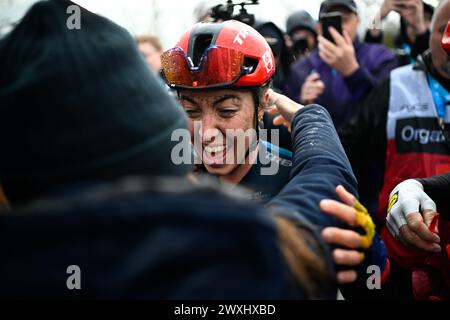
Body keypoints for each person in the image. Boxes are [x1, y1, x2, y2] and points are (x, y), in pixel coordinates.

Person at [0, 0, 379, 299]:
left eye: (227, 110)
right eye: (189, 111)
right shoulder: (154, 180)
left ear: (264, 104)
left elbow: (368, 286)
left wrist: (369, 258)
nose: (206, 131)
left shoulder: (289, 169)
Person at [339, 0, 450, 299]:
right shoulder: (396, 82)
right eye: (441, 29)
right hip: (397, 255)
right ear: (430, 34)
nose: (446, 41)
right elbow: (348, 146)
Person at [284, 0, 398, 129]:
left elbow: (388, 108)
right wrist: (301, 102)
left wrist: (353, 71)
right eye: (331, 21)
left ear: (358, 20)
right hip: (320, 145)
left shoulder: (380, 56)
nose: (340, 27)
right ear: (319, 27)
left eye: (344, 19)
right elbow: (281, 121)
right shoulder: (301, 67)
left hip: (369, 145)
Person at [365, 0, 434, 65]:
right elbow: (371, 54)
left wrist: (419, 28)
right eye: (407, 24)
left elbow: (430, 56)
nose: (414, 26)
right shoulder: (398, 58)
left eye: (424, 19)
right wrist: (379, 17)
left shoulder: (440, 56)